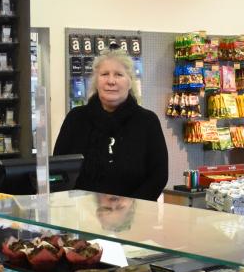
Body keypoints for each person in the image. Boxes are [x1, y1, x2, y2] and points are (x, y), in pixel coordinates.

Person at [53, 48, 169, 201]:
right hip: (83, 217)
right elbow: (59, 170)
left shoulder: (147, 122)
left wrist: (129, 208)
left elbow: (158, 176)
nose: (111, 81)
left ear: (130, 82)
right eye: (104, 74)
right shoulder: (76, 119)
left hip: (134, 217)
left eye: (119, 74)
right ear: (96, 81)